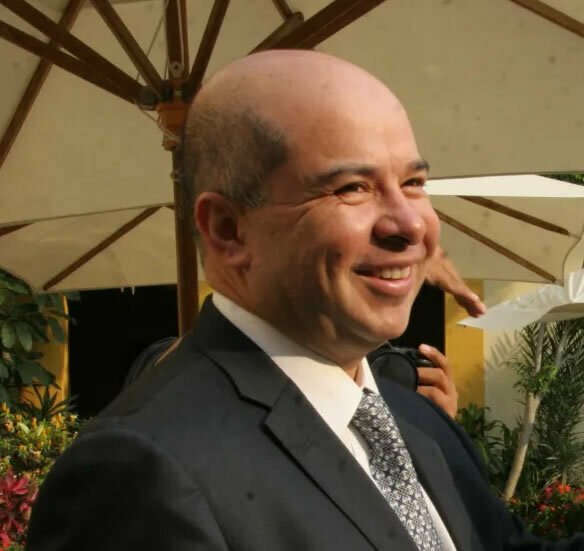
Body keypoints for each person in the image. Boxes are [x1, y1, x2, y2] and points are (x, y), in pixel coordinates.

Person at [26, 51, 582, 550]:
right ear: (228, 230)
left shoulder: (416, 419)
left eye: (414, 183)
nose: (411, 224)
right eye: (352, 188)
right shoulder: (141, 473)